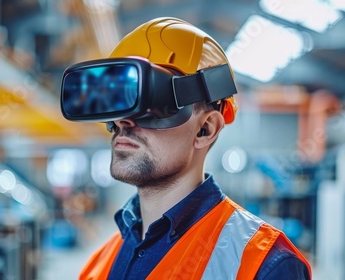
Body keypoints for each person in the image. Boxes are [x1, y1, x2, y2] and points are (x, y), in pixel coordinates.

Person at [60, 17, 311, 279]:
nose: (124, 120)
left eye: (153, 104)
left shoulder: (264, 266)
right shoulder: (101, 262)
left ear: (206, 129)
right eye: (119, 102)